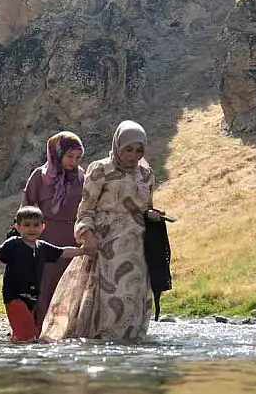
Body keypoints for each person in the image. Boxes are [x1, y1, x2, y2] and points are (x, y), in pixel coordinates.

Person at [40, 120, 167, 342]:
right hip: (107, 244)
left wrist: (153, 215)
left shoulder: (146, 174)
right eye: (128, 149)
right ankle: (104, 346)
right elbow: (86, 209)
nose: (134, 155)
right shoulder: (101, 169)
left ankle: (129, 346)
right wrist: (87, 236)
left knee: (132, 295)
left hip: (137, 246)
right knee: (110, 296)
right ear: (118, 146)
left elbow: (146, 208)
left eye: (139, 150)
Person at [0, 206, 88, 342]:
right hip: (14, 296)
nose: (32, 229)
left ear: (43, 227)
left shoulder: (42, 247)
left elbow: (62, 252)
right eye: (27, 225)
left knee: (21, 333)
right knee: (29, 335)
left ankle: (15, 351)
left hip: (32, 299)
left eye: (36, 225)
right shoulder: (13, 244)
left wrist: (83, 251)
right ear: (18, 227)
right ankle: (26, 355)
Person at [17, 131, 86, 326]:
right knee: (42, 286)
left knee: (68, 287)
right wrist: (27, 238)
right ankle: (37, 330)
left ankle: (64, 331)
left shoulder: (82, 177)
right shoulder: (40, 176)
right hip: (44, 239)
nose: (73, 162)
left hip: (72, 241)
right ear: (57, 153)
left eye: (77, 157)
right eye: (69, 156)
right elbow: (27, 209)